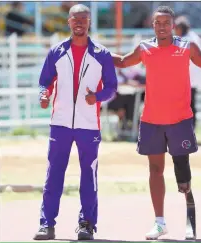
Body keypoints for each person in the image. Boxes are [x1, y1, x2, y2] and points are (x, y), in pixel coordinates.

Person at [111, 5, 201, 240]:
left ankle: (189, 215)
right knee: (155, 170)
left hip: (179, 120)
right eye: (157, 22)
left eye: (166, 23)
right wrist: (96, 51)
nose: (161, 26)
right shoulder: (145, 48)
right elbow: (121, 62)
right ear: (152, 25)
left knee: (182, 172)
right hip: (152, 120)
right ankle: (159, 222)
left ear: (173, 26)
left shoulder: (186, 47)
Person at [33, 4, 118, 241]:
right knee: (54, 175)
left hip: (88, 125)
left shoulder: (101, 54)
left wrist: (96, 97)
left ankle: (86, 225)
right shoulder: (56, 52)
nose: (79, 22)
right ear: (68, 22)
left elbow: (112, 87)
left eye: (83, 18)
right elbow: (44, 82)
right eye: (75, 19)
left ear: (89, 22)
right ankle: (46, 224)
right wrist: (43, 95)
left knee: (88, 178)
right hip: (59, 124)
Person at [174, 15, 201, 130]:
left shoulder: (187, 40)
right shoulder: (193, 37)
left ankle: (188, 129)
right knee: (189, 105)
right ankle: (189, 129)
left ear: (180, 28)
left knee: (187, 106)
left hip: (187, 79)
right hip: (190, 79)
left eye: (176, 28)